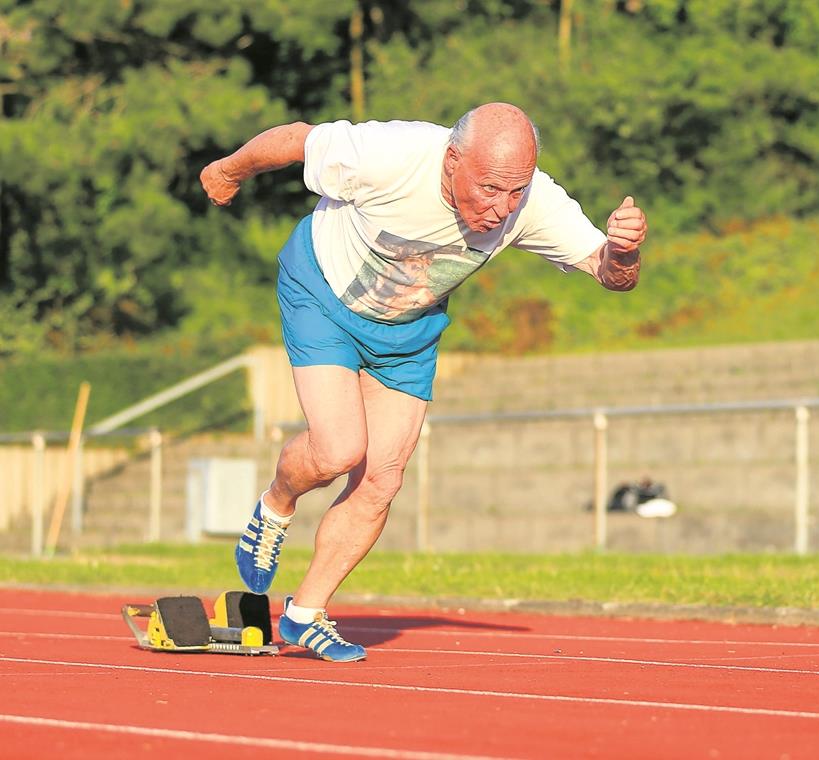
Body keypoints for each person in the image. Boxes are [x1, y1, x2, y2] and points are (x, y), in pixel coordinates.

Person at [199, 102, 647, 662]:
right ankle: (275, 505)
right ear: (452, 159)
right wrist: (228, 170)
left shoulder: (531, 202)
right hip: (322, 294)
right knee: (338, 449)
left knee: (381, 480)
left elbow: (610, 274)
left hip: (408, 330)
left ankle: (304, 614)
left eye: (516, 192)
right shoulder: (391, 155)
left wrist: (624, 252)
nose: (502, 209)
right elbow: (295, 139)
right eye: (488, 188)